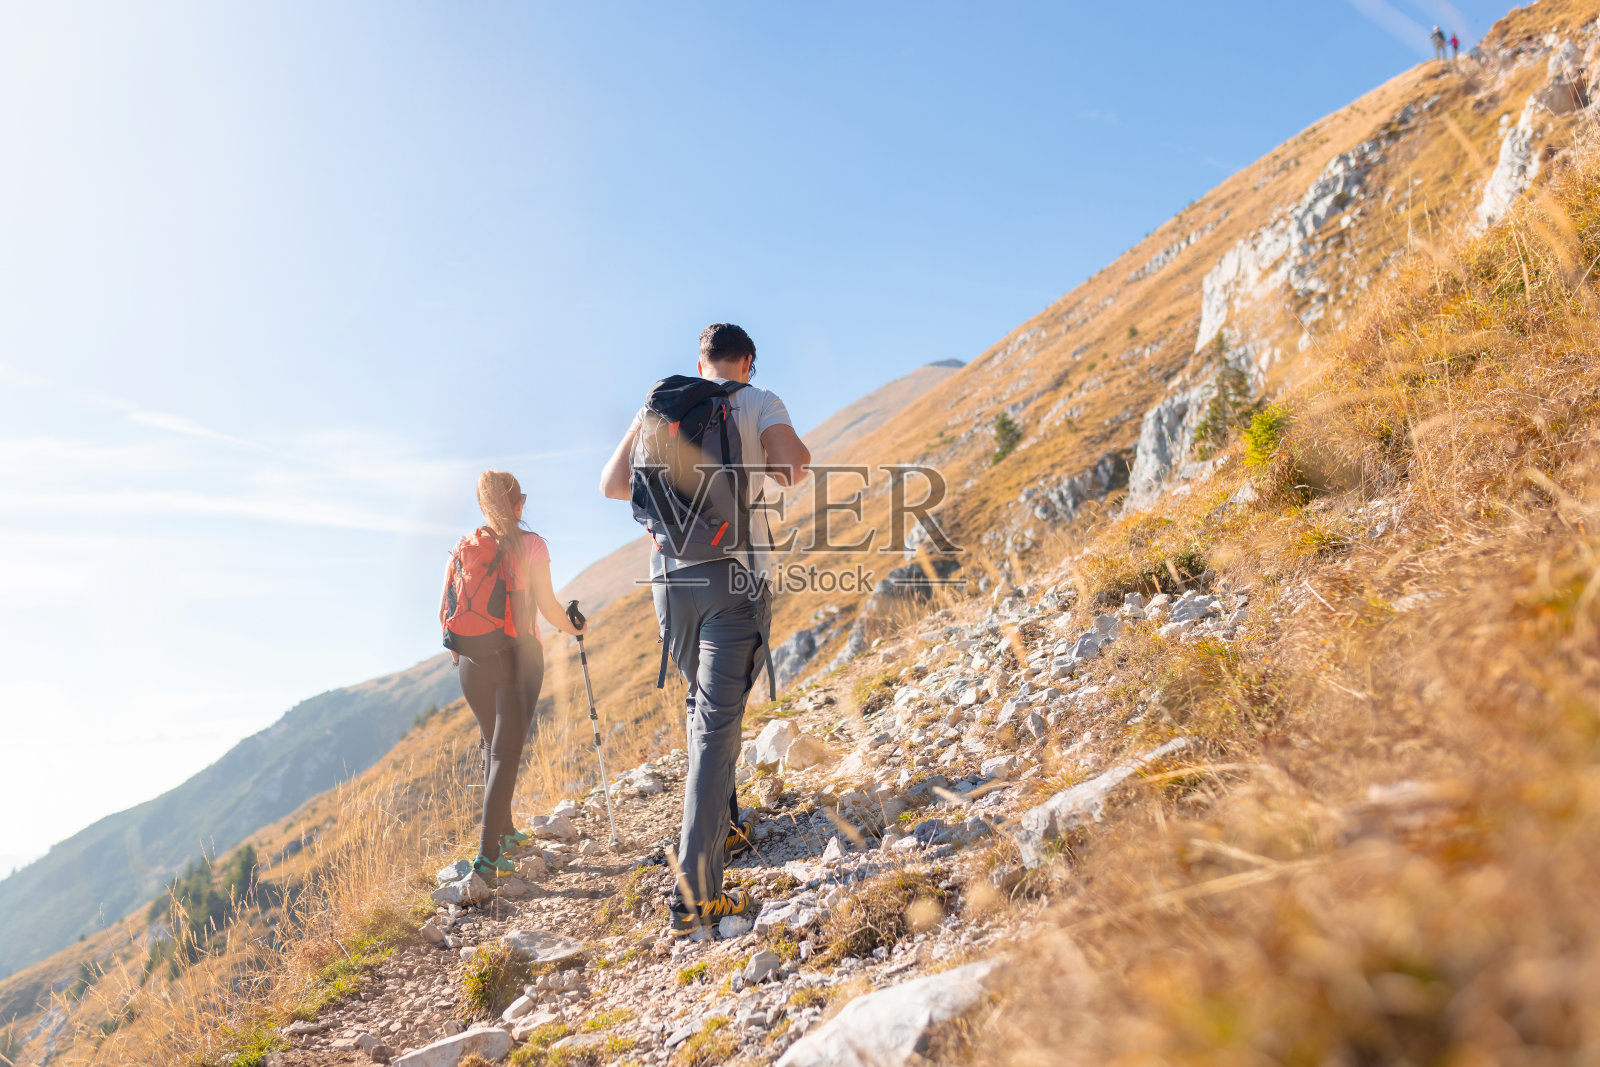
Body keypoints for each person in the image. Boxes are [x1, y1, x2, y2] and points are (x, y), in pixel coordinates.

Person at [599, 323, 810, 935]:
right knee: (718, 728)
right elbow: (795, 466)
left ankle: (728, 830)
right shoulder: (758, 399)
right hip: (733, 579)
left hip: (669, 584)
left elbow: (612, 486)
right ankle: (696, 896)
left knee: (703, 711)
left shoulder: (662, 403)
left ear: (700, 360)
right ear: (746, 361)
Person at [439, 469, 584, 883]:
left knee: (491, 744)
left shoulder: (463, 547)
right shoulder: (531, 545)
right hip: (518, 655)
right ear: (519, 505)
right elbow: (549, 607)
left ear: (485, 507)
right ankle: (486, 860)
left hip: (470, 660)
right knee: (505, 752)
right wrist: (577, 628)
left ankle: (504, 836)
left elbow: (444, 612)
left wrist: (467, 656)